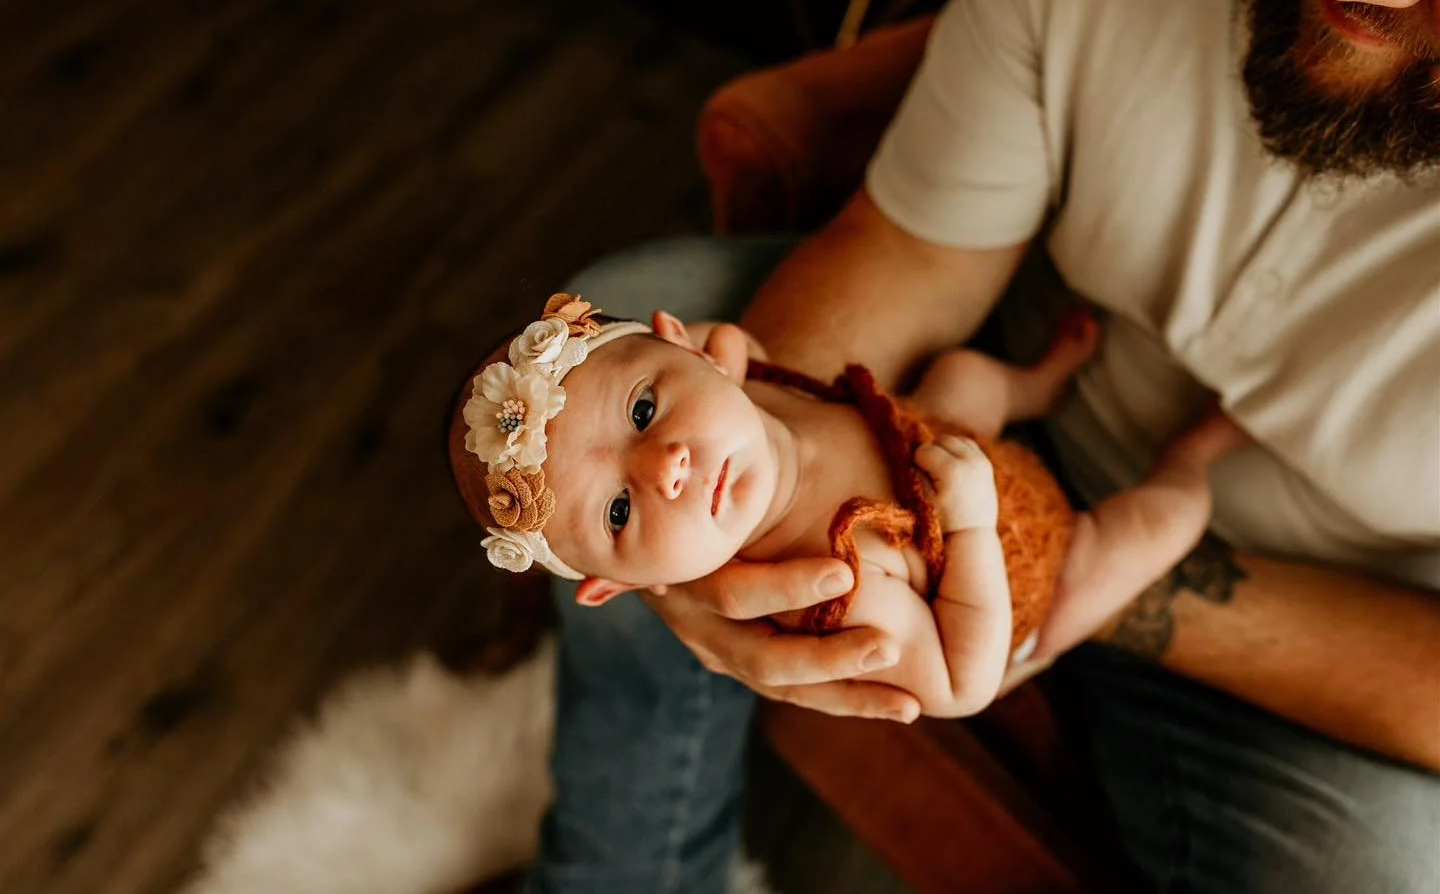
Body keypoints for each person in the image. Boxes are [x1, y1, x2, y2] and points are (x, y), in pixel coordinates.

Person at [515, 0, 1440, 894]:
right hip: (997, 386)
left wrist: (994, 546)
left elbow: (964, 677)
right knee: (585, 412)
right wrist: (758, 471)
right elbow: (912, 250)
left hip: (1314, 605)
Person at [451, 299, 1246, 718]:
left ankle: (1038, 385)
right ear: (621, 587)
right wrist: (968, 524)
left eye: (643, 411)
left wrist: (706, 356)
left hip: (940, 437)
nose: (669, 468)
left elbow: (725, 344)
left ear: (685, 346)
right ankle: (1195, 455)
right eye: (619, 514)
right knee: (1154, 528)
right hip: (1020, 579)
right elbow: (961, 684)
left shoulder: (745, 387)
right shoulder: (830, 586)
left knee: (965, 375)